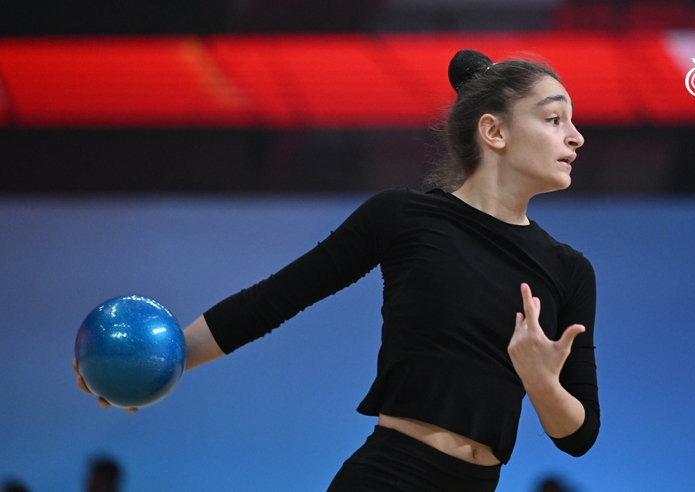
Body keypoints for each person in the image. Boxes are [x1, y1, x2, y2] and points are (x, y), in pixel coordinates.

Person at [75, 48, 600, 491]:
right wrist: (153, 360)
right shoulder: (404, 216)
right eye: (555, 119)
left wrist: (540, 380)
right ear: (494, 132)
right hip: (388, 478)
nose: (575, 137)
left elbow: (577, 436)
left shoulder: (570, 270)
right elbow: (276, 299)